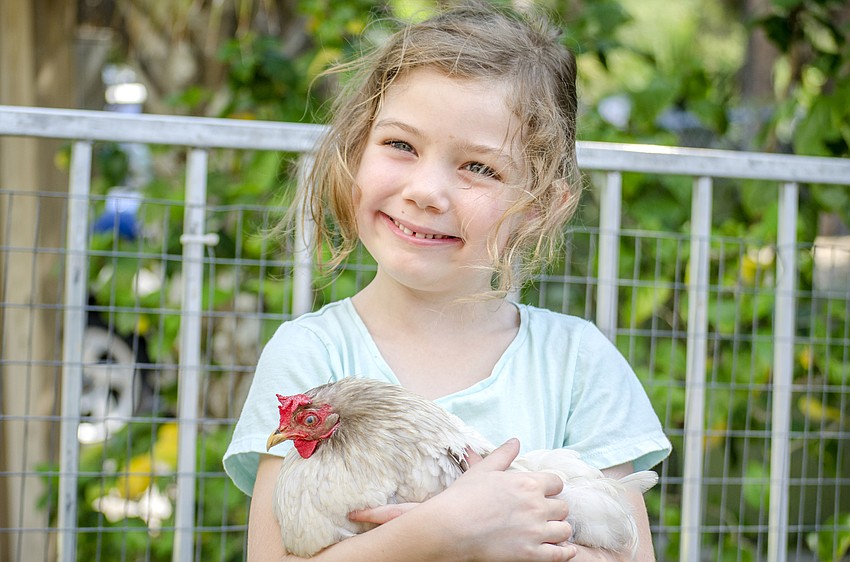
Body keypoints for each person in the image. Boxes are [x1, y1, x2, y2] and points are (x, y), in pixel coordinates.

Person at [224, 2, 672, 561]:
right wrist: (446, 532)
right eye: (401, 145)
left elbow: (630, 554)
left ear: (540, 206)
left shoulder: (578, 364)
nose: (425, 191)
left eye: (479, 168)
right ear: (355, 149)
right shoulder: (311, 354)